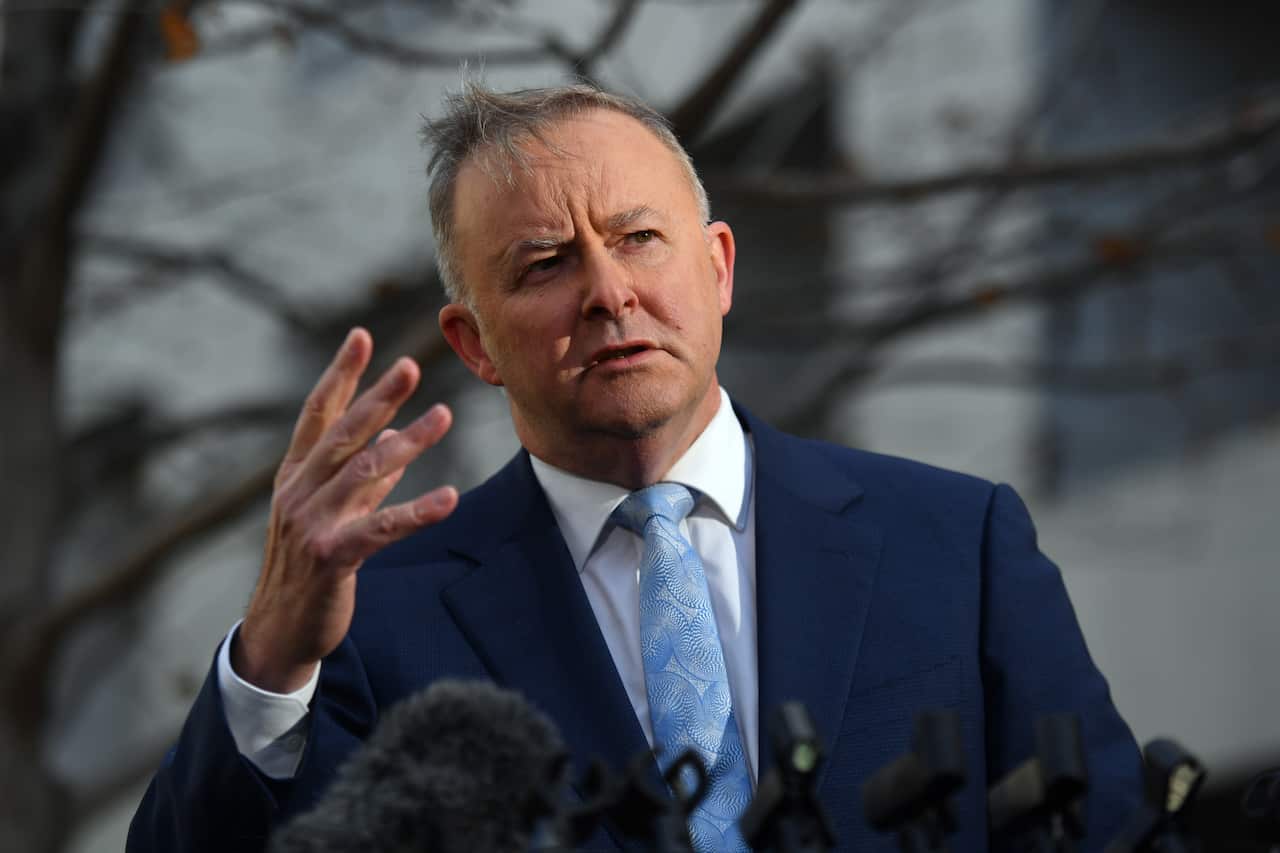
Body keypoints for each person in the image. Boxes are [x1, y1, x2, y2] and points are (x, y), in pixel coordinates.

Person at [127, 83, 1142, 852]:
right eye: (544, 265)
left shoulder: (954, 544)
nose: (608, 293)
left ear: (718, 268)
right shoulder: (371, 622)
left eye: (637, 238)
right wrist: (266, 666)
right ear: (472, 343)